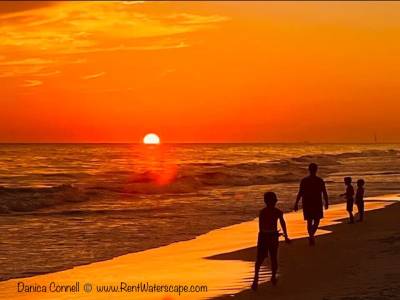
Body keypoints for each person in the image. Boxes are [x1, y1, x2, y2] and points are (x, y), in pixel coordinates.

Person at [251, 192, 290, 290]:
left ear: (265, 201)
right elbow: (282, 223)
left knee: (261, 259)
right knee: (272, 258)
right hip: (271, 236)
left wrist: (285, 235)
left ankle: (257, 278)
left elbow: (261, 228)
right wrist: (285, 235)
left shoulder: (263, 212)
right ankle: (267, 277)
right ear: (274, 201)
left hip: (265, 236)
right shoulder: (277, 212)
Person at [294, 163, 329, 246]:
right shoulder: (319, 180)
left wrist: (296, 203)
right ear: (316, 170)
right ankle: (311, 235)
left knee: (310, 221)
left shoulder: (304, 180)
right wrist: (326, 202)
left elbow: (300, 193)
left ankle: (311, 235)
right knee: (316, 220)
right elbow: (324, 192)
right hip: (316, 202)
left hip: (307, 202)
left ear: (308, 170)